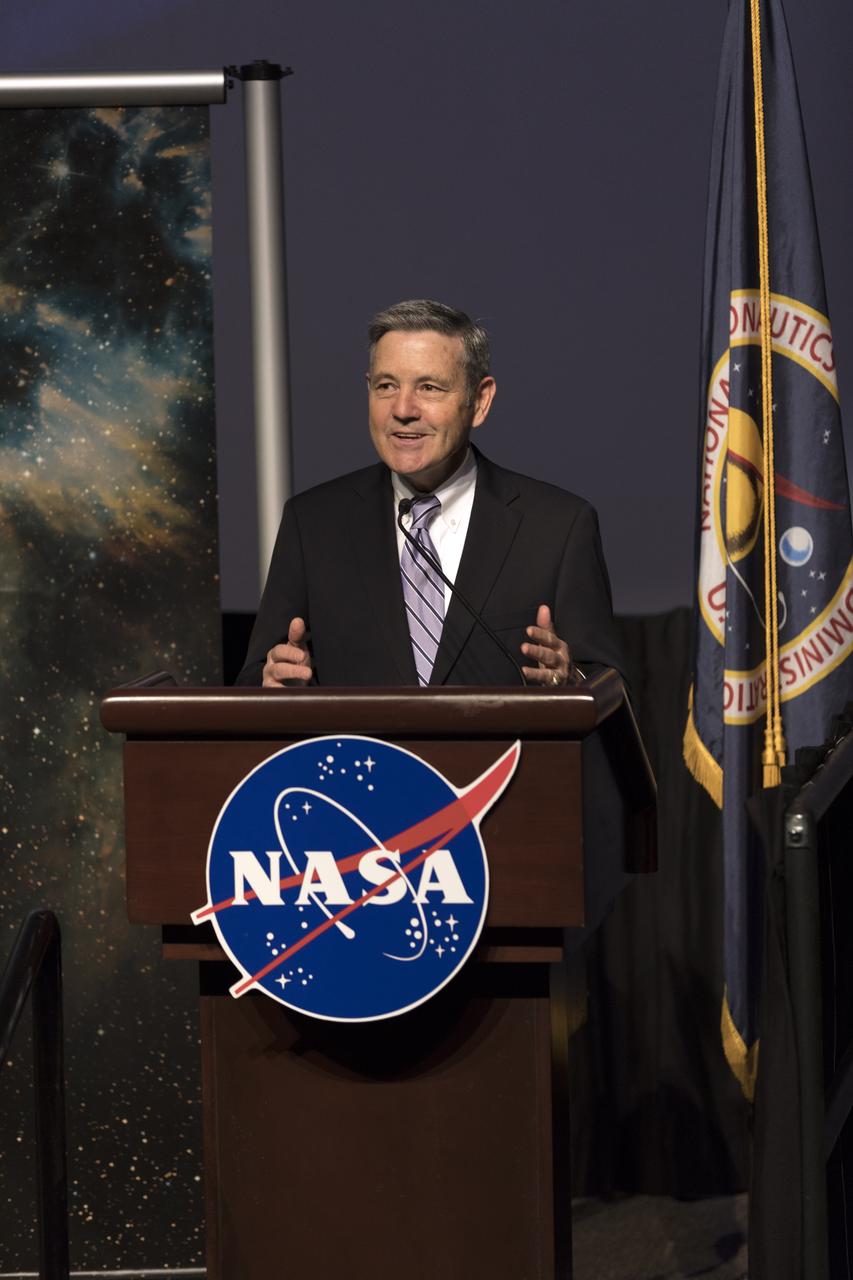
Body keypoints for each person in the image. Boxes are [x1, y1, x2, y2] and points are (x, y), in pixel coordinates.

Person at [236, 299, 625, 688]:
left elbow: (608, 690)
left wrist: (570, 679)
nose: (403, 409)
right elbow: (255, 682)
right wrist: (274, 683)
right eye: (387, 386)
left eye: (429, 387)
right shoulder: (313, 524)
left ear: (480, 401)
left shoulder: (557, 527)